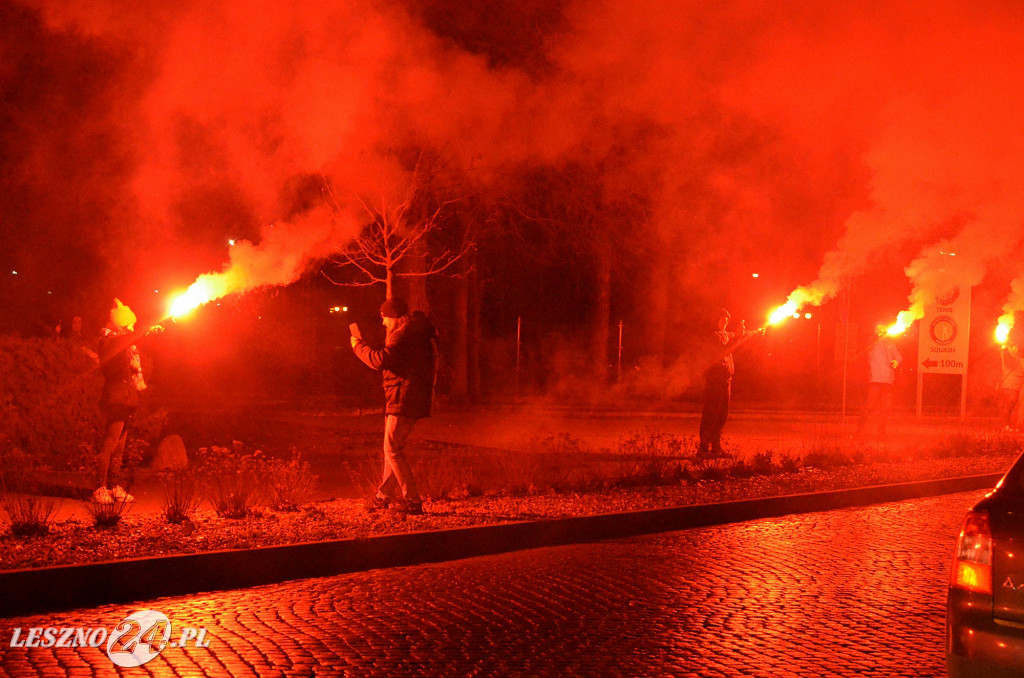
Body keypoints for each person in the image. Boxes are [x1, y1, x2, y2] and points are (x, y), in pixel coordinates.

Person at [350, 297, 437, 515]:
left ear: (395, 317)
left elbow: (380, 361)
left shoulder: (405, 334)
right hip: (405, 396)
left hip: (404, 398)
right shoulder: (411, 332)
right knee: (391, 448)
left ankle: (413, 501)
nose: (383, 323)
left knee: (392, 449)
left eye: (385, 318)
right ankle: (383, 496)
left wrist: (359, 347)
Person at [93, 299, 161, 504]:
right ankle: (99, 488)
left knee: (119, 447)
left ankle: (114, 487)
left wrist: (150, 331)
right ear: (119, 324)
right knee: (109, 444)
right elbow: (126, 340)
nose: (131, 328)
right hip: (116, 397)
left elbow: (132, 340)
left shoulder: (123, 342)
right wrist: (145, 328)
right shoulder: (109, 341)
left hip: (126, 397)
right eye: (128, 325)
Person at [698, 308, 761, 456]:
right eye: (723, 319)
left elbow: (740, 336)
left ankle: (716, 447)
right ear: (715, 320)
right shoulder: (713, 336)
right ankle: (703, 448)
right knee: (711, 414)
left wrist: (756, 332)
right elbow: (723, 349)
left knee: (722, 415)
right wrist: (737, 337)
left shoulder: (726, 334)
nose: (726, 322)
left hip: (726, 380)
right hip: (715, 380)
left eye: (727, 320)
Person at [857, 320, 902, 437]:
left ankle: (881, 433)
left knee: (885, 408)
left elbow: (898, 355)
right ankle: (859, 431)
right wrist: (878, 338)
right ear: (874, 330)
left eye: (882, 328)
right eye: (877, 328)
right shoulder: (872, 341)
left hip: (888, 380)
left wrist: (896, 361)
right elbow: (868, 348)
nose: (880, 330)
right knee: (869, 406)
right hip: (875, 380)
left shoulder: (890, 343)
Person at [998, 341, 1024, 431]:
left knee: (1009, 407)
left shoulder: (1014, 358)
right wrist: (1004, 345)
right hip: (1011, 387)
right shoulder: (1011, 358)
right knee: (1008, 407)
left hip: (1011, 387)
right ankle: (1005, 427)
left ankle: (1007, 426)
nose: (1017, 349)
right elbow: (1006, 354)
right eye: (1015, 347)